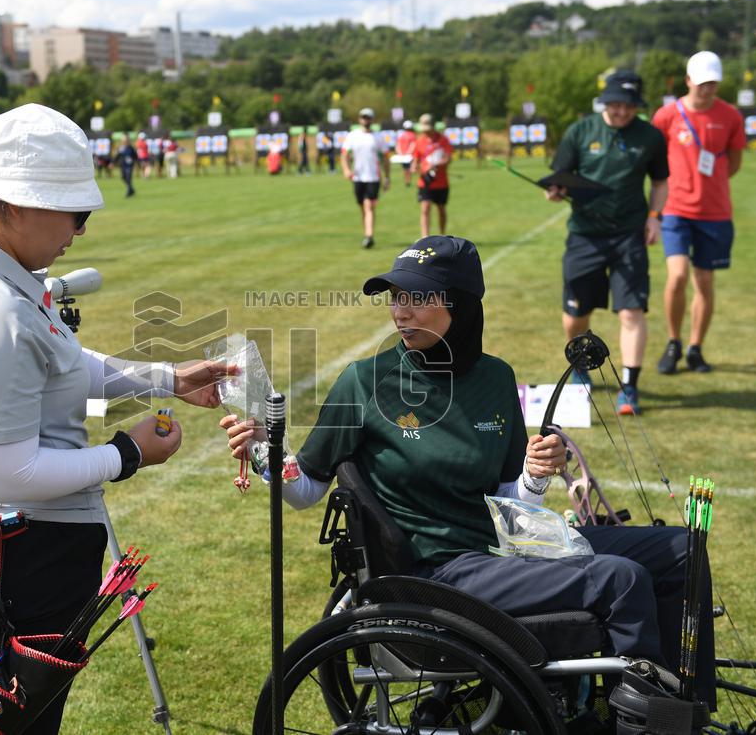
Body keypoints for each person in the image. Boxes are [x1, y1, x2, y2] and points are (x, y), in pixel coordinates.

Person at [220, 235, 716, 711]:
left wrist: (536, 471)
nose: (400, 310)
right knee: (621, 579)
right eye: (395, 297)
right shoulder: (364, 381)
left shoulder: (496, 377)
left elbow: (512, 502)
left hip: (502, 548)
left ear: (458, 305)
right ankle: (647, 721)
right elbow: (307, 488)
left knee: (682, 550)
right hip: (438, 572)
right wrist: (267, 453)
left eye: (417, 296)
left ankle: (691, 706)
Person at [0, 104, 235, 733]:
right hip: (15, 551)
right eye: (74, 212)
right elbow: (7, 473)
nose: (80, 231)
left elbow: (61, 364)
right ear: (17, 204)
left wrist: (165, 379)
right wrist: (128, 454)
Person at [546, 70, 668, 415]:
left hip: (629, 235)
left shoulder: (650, 137)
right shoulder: (580, 131)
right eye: (616, 104)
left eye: (629, 106)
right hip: (584, 235)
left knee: (631, 311)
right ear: (606, 101)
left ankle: (629, 387)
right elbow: (559, 179)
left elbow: (660, 182)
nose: (622, 112)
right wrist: (555, 191)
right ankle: (581, 368)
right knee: (575, 315)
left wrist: (654, 217)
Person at [651, 51, 746, 375]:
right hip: (676, 210)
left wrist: (712, 184)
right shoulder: (666, 115)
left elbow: (733, 162)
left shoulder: (731, 116)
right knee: (677, 275)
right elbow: (654, 160)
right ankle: (674, 341)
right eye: (702, 82)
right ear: (689, 80)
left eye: (713, 83)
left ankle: (695, 347)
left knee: (704, 281)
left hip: (716, 212)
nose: (708, 89)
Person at [341, 107, 390, 249]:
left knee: (369, 206)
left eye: (368, 117)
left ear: (372, 119)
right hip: (358, 177)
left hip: (373, 177)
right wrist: (346, 169)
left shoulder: (378, 137)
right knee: (362, 207)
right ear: (359, 119)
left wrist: (387, 177)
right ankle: (367, 234)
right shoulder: (353, 135)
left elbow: (385, 158)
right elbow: (344, 154)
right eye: (363, 117)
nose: (365, 120)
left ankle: (369, 236)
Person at [410, 113, 452, 238]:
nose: (426, 132)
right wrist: (414, 167)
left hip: (441, 182)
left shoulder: (443, 140)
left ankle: (443, 236)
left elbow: (448, 158)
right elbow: (416, 160)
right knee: (425, 208)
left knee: (441, 209)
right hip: (425, 182)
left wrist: (436, 165)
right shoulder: (419, 141)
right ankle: (425, 238)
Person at [113, 132, 138, 197]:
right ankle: (131, 189)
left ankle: (129, 191)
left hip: (129, 165)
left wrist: (136, 162)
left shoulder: (131, 147)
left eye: (126, 139)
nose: (125, 141)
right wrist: (113, 163)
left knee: (128, 177)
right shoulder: (121, 147)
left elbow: (135, 156)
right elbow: (117, 156)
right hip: (123, 165)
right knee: (123, 177)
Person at [395, 119, 417, 187]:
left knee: (405, 168)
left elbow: (397, 145)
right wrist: (408, 152)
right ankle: (408, 181)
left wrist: (400, 152)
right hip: (408, 155)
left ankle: (407, 181)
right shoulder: (413, 135)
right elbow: (413, 145)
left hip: (404, 155)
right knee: (408, 168)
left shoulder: (401, 135)